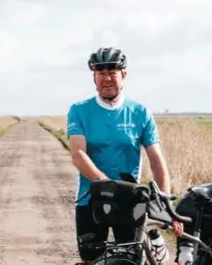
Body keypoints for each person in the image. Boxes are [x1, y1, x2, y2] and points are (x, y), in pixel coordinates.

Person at [67, 47, 179, 263]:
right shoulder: (79, 110)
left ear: (124, 74)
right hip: (89, 198)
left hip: (129, 200)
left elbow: (156, 158)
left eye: (113, 72)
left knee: (130, 259)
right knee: (92, 258)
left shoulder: (140, 112)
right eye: (100, 73)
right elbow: (78, 154)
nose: (106, 78)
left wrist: (166, 200)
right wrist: (107, 185)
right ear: (94, 77)